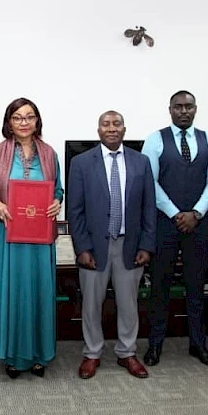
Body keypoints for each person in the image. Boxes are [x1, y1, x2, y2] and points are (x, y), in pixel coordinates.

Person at [68, 110, 156, 380]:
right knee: (91, 305)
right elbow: (75, 208)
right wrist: (82, 247)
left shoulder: (141, 162)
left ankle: (127, 352)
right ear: (98, 131)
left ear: (124, 129)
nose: (111, 128)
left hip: (129, 246)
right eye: (106, 124)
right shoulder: (82, 163)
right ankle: (92, 353)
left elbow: (148, 207)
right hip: (94, 247)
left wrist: (147, 245)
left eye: (116, 123)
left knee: (129, 304)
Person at [141, 90, 208, 368]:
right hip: (164, 223)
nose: (184, 111)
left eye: (188, 107)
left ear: (196, 109)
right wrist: (177, 213)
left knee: (196, 286)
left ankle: (198, 345)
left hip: (199, 224)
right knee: (159, 287)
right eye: (178, 107)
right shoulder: (155, 139)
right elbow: (148, 181)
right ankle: (154, 345)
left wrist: (197, 212)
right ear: (170, 109)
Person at [0, 98, 63, 379]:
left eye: (29, 117)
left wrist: (56, 202)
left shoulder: (50, 153)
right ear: (8, 123)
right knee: (12, 292)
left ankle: (40, 355)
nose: (24, 122)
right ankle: (13, 356)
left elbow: (59, 190)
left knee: (39, 291)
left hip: (40, 237)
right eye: (17, 117)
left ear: (37, 121)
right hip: (9, 235)